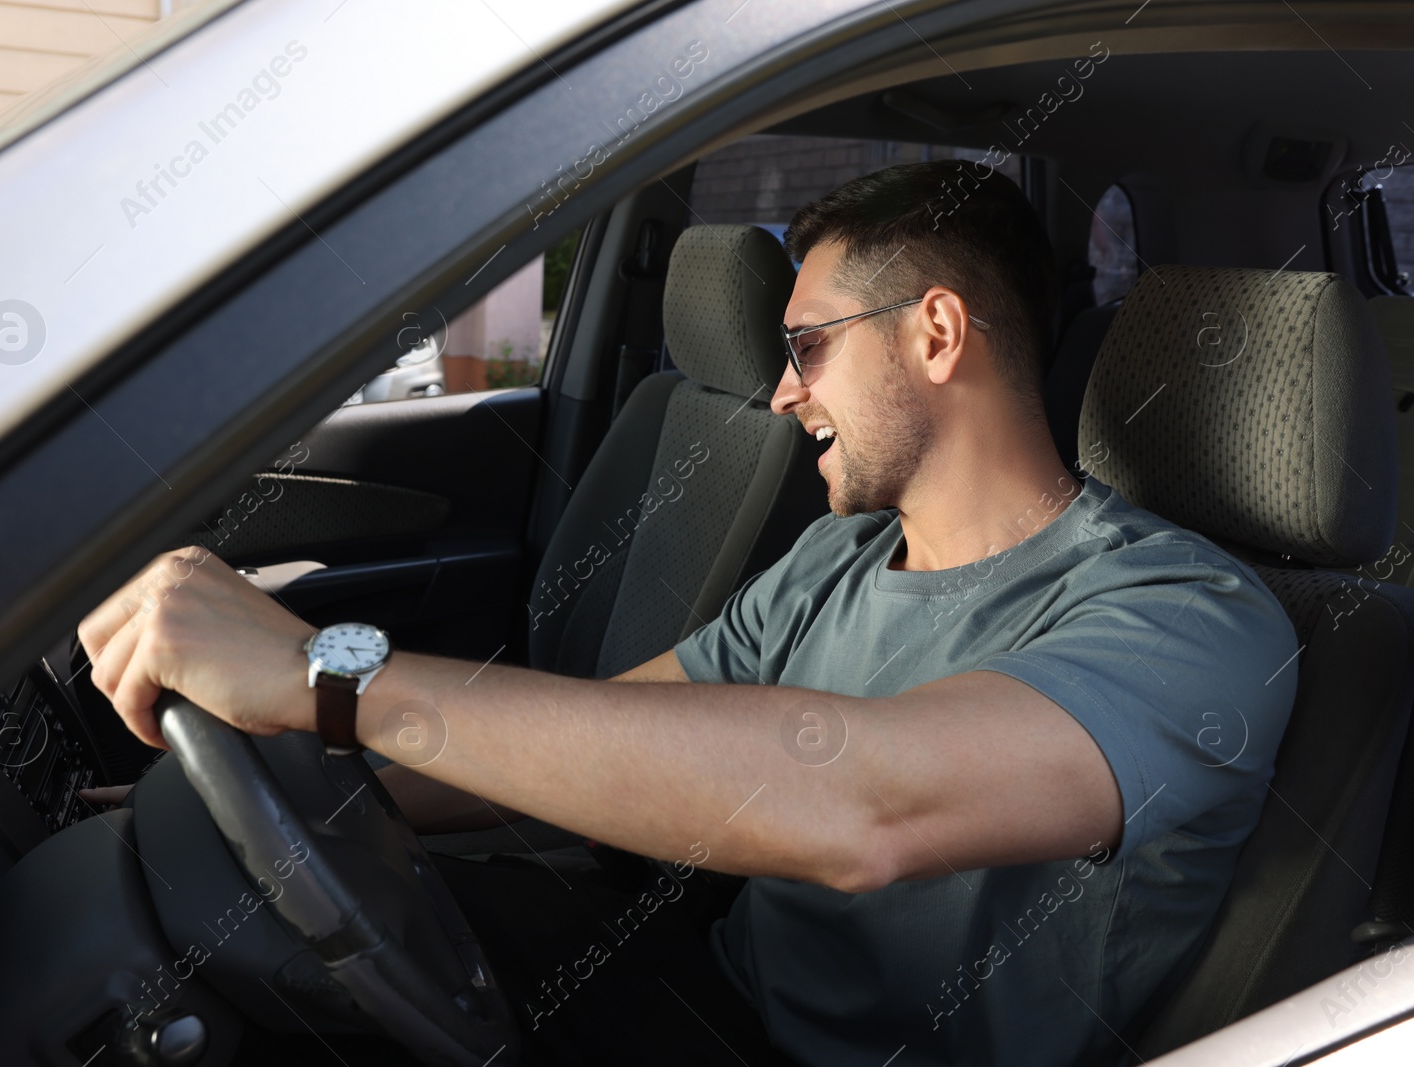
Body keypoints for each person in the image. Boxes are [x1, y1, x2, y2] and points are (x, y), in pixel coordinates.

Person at [79, 160, 1300, 1066]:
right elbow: (581, 736)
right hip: (694, 992)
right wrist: (281, 762)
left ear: (933, 334)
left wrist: (315, 668)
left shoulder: (1186, 618)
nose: (777, 395)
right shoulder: (839, 559)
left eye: (807, 348)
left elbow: (858, 805)